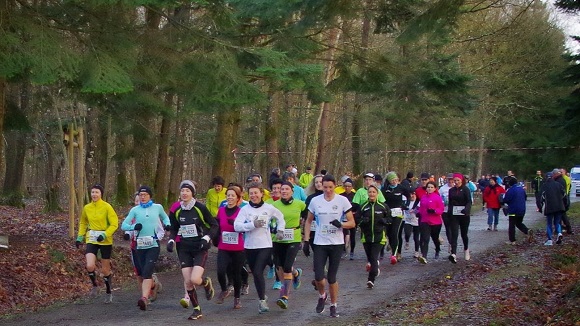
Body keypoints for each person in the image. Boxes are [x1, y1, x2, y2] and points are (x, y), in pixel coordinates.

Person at [303, 174, 355, 318]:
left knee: (332, 277)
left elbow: (352, 223)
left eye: (330, 187)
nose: (327, 190)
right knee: (319, 276)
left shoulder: (342, 201)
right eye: (325, 187)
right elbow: (308, 221)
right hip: (320, 242)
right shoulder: (315, 201)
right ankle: (322, 295)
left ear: (335, 186)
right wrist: (306, 241)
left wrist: (341, 224)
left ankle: (333, 305)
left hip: (336, 243)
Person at [166, 180, 219, 320]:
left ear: (192, 193)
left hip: (200, 247)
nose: (184, 193)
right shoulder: (177, 210)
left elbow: (214, 225)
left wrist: (207, 238)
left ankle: (206, 283)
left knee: (195, 279)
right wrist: (171, 240)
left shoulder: (200, 208)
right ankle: (197, 310)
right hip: (183, 248)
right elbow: (174, 228)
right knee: (188, 281)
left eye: (187, 191)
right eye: (182, 191)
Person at [234, 182, 285, 314]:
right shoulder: (245, 209)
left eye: (256, 193)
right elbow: (237, 226)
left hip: (265, 245)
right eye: (251, 193)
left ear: (262, 193)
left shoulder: (269, 208)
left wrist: (280, 230)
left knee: (257, 272)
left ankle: (262, 300)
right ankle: (263, 296)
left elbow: (280, 218)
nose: (253, 195)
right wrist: (252, 224)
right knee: (256, 274)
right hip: (250, 246)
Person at [121, 186, 171, 310]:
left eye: (145, 195)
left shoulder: (157, 207)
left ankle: (144, 298)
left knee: (147, 271)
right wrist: (133, 228)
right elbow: (124, 225)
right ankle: (153, 286)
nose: (142, 197)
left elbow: (165, 217)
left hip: (153, 245)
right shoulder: (135, 210)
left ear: (150, 196)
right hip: (140, 245)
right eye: (141, 195)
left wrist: (168, 224)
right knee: (143, 273)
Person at [76, 184, 119, 303]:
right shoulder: (87, 207)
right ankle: (95, 285)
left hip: (105, 240)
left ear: (101, 194)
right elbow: (83, 222)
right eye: (93, 192)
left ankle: (109, 291)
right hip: (92, 239)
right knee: (90, 265)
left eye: (97, 192)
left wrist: (105, 234)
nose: (94, 194)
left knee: (105, 270)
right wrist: (80, 237)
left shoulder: (107, 207)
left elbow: (114, 224)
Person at [272, 181, 306, 309]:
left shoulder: (300, 204)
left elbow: (308, 216)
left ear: (292, 191)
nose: (284, 191)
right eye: (282, 189)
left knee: (287, 266)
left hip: (294, 238)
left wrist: (304, 233)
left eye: (287, 189)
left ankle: (285, 296)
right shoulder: (274, 205)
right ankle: (296, 273)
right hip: (278, 239)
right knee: (279, 266)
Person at [215, 186, 246, 309]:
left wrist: (237, 225)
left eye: (233, 195)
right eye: (228, 195)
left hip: (238, 248)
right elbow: (217, 226)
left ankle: (237, 298)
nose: (230, 197)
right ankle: (224, 290)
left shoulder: (241, 212)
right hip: (223, 246)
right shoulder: (221, 210)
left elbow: (245, 227)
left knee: (236, 274)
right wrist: (214, 239)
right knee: (220, 271)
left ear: (238, 198)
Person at [356, 185, 391, 288]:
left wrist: (385, 221)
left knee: (374, 257)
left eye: (373, 192)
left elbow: (390, 219)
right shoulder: (363, 206)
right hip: (366, 237)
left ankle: (371, 280)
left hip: (379, 237)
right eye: (370, 192)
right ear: (368, 193)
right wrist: (363, 221)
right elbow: (357, 219)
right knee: (370, 259)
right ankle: (375, 270)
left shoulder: (383, 206)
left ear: (377, 194)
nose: (371, 194)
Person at [381, 171, 410, 264]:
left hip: (398, 213)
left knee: (395, 233)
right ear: (389, 181)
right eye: (393, 180)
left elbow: (408, 196)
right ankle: (392, 246)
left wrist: (405, 205)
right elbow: (382, 200)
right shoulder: (385, 189)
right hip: (389, 213)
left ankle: (394, 254)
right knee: (389, 233)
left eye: (396, 180)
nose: (394, 182)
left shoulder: (401, 187)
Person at [447, 173, 472, 263]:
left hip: (464, 215)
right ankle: (453, 253)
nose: (456, 182)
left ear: (461, 180)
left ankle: (466, 249)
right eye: (455, 181)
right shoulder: (451, 190)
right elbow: (450, 202)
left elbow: (469, 201)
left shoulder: (466, 189)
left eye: (458, 180)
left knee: (464, 234)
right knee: (454, 233)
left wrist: (466, 209)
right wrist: (449, 212)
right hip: (454, 214)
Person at [417, 181, 444, 263]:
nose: (430, 189)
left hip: (436, 222)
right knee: (425, 238)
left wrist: (434, 211)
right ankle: (424, 256)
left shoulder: (437, 197)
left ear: (435, 188)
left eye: (432, 187)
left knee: (435, 238)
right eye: (428, 187)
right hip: (425, 221)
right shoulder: (423, 197)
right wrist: (419, 213)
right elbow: (421, 208)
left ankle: (437, 248)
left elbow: (441, 209)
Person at [502, 178, 534, 245]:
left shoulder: (510, 190)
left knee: (512, 225)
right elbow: (525, 197)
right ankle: (527, 231)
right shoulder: (521, 189)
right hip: (522, 210)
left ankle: (512, 240)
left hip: (513, 210)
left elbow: (506, 200)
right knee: (519, 223)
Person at [541, 171, 566, 246]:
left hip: (549, 207)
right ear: (553, 177)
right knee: (557, 222)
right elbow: (564, 195)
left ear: (546, 178)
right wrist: (565, 205)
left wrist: (540, 206)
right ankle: (559, 233)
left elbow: (541, 197)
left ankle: (549, 240)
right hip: (559, 206)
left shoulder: (544, 186)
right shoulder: (558, 185)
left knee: (549, 223)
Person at [340, 178, 357, 260]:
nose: (347, 188)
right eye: (345, 186)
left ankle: (352, 252)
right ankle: (343, 250)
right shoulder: (341, 196)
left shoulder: (355, 195)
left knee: (353, 235)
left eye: (349, 186)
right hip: (343, 217)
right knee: (342, 234)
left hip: (353, 217)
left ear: (352, 187)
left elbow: (358, 207)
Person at [403, 189, 420, 258]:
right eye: (410, 194)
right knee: (407, 233)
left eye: (413, 194)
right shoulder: (406, 202)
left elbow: (420, 210)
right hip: (407, 220)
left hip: (416, 221)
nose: (412, 196)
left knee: (416, 237)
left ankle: (416, 251)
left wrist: (415, 211)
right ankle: (407, 241)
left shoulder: (418, 202)